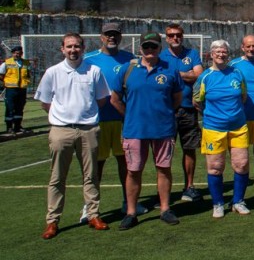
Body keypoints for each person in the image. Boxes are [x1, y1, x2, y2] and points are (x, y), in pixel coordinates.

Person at [35, 34, 111, 239]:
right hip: (61, 130)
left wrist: (85, 116)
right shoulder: (53, 72)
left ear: (83, 48)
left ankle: (93, 215)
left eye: (77, 46)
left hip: (89, 130)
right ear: (62, 49)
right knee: (57, 177)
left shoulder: (94, 71)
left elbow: (102, 99)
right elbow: (45, 103)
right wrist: (63, 117)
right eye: (69, 47)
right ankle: (52, 221)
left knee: (91, 175)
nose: (73, 50)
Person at [111, 32, 184, 230]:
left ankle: (165, 209)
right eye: (146, 47)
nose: (150, 50)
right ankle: (131, 212)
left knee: (164, 169)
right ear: (140, 48)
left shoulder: (170, 69)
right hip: (134, 130)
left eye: (153, 46)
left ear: (160, 48)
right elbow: (115, 99)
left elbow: (177, 98)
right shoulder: (128, 69)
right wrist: (130, 116)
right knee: (133, 171)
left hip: (163, 129)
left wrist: (165, 113)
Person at [83, 22, 147, 221]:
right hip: (97, 121)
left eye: (115, 34)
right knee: (96, 166)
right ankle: (90, 207)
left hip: (123, 121)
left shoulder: (131, 59)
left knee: (127, 164)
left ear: (121, 37)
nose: (112, 38)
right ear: (101, 36)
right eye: (108, 34)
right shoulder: (88, 60)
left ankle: (128, 202)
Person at [194, 40, 250, 218]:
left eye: (224, 51)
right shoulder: (205, 77)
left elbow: (243, 96)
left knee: (241, 164)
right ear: (211, 55)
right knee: (215, 167)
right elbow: (197, 101)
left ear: (228, 54)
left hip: (238, 127)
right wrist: (214, 115)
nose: (221, 54)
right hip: (213, 128)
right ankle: (217, 203)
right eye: (217, 51)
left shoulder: (237, 73)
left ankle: (238, 201)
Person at [159, 23, 204, 202]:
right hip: (166, 110)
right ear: (166, 37)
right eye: (171, 35)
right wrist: (187, 74)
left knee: (190, 148)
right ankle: (164, 192)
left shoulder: (191, 54)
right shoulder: (160, 56)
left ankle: (189, 187)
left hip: (188, 109)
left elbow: (199, 75)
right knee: (164, 152)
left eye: (178, 35)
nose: (175, 38)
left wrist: (175, 74)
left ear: (182, 36)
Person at [230, 35, 254, 201]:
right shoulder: (234, 65)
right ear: (242, 47)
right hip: (240, 118)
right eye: (248, 46)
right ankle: (240, 190)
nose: (252, 49)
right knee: (240, 155)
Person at [2, 44, 31, 135]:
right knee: (10, 108)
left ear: (21, 53)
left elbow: (28, 74)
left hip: (22, 89)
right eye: (15, 53)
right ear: (13, 53)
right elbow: (1, 74)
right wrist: (6, 82)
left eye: (19, 53)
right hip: (11, 89)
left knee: (20, 108)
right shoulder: (6, 63)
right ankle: (9, 127)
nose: (17, 55)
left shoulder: (26, 63)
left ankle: (18, 126)